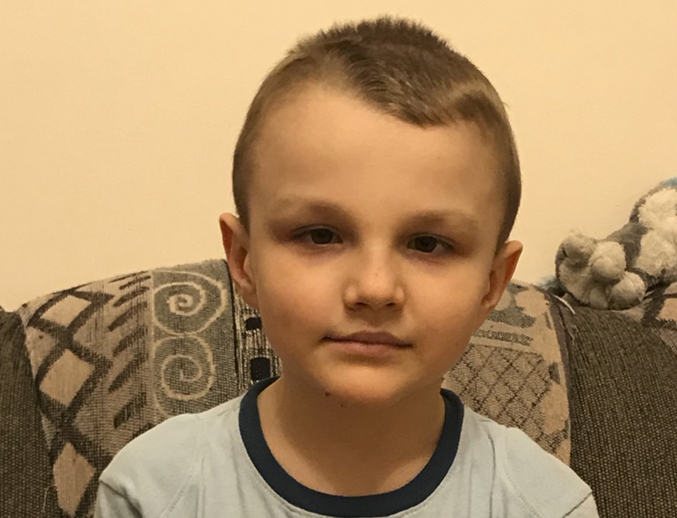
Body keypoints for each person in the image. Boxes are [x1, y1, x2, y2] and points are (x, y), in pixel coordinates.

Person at [95, 16, 599, 517]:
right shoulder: (153, 491)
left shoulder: (547, 506)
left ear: (492, 283)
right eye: (320, 235)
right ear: (244, 261)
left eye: (427, 244)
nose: (375, 288)